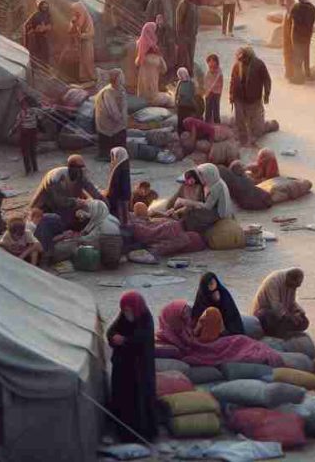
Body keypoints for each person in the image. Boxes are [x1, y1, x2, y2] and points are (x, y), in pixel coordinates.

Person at [157, 300, 284, 367]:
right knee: (239, 342)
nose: (187, 314)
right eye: (183, 311)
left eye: (186, 310)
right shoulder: (169, 334)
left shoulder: (184, 324)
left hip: (204, 342)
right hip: (202, 348)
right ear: (173, 315)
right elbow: (186, 348)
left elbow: (193, 334)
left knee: (240, 339)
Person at [107, 291, 158, 441]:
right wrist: (113, 337)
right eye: (124, 310)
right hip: (123, 369)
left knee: (139, 400)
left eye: (129, 310)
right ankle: (123, 433)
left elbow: (142, 340)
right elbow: (111, 331)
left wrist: (124, 340)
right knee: (124, 400)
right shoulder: (123, 317)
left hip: (139, 369)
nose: (126, 313)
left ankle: (143, 433)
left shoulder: (145, 319)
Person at [29, 155, 104, 255]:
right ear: (71, 168)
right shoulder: (55, 178)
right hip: (46, 209)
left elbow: (93, 191)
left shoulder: (80, 176)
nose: (80, 172)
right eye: (78, 169)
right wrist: (77, 202)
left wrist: (103, 203)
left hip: (66, 208)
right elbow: (58, 201)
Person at [230, 46, 271, 146]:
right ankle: (242, 138)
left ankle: (257, 133)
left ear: (249, 57)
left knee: (256, 123)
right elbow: (233, 81)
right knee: (240, 119)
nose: (242, 61)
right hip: (239, 97)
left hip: (254, 98)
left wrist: (266, 94)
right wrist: (231, 96)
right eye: (240, 59)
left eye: (244, 58)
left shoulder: (259, 65)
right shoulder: (236, 65)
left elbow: (267, 80)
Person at [251, 268, 310, 338]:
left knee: (304, 321)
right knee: (270, 316)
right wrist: (291, 317)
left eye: (297, 286)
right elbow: (275, 306)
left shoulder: (292, 284)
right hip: (264, 313)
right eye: (294, 285)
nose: (295, 288)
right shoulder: (273, 281)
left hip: (282, 314)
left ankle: (285, 331)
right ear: (289, 279)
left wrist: (299, 312)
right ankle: (277, 334)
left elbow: (292, 302)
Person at [93, 69, 128, 158]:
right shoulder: (108, 91)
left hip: (117, 121)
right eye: (120, 77)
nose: (122, 79)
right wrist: (121, 121)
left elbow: (123, 106)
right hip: (107, 123)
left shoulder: (121, 90)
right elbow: (113, 111)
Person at [133, 22, 168, 99]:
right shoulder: (156, 49)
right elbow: (164, 69)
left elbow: (137, 63)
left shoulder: (139, 45)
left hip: (141, 94)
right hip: (153, 93)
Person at [288, 0, 315, 82]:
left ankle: (298, 77)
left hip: (296, 34)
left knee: (297, 53)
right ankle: (307, 74)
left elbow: (289, 19)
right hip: (307, 34)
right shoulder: (312, 8)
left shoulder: (295, 7)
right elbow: (312, 21)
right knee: (306, 53)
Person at [23, 0, 55, 69]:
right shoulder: (35, 15)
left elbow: (51, 25)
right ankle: (35, 68)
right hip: (36, 38)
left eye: (46, 5)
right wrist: (35, 29)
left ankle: (45, 68)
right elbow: (26, 25)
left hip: (45, 37)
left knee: (46, 53)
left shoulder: (48, 15)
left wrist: (46, 27)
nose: (45, 7)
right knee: (36, 53)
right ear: (39, 6)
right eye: (43, 5)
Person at [68, 2, 96, 82]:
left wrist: (82, 36)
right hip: (78, 44)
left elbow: (92, 33)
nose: (76, 13)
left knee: (88, 59)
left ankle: (91, 76)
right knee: (81, 60)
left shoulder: (88, 19)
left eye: (77, 12)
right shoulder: (74, 19)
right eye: (74, 11)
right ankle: (83, 77)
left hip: (87, 42)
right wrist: (73, 24)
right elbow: (70, 31)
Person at [174, 0, 199, 74]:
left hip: (192, 35)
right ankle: (182, 73)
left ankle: (190, 72)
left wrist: (195, 31)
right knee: (184, 56)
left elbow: (196, 21)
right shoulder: (183, 5)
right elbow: (179, 22)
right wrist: (181, 35)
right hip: (184, 35)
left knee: (190, 55)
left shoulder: (193, 5)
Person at [105, 146, 132, 223]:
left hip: (119, 197)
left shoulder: (119, 169)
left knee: (121, 218)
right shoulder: (124, 166)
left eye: (113, 156)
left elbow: (117, 186)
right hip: (124, 196)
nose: (112, 159)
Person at [202, 53, 224, 124]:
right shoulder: (208, 71)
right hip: (209, 91)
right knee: (208, 108)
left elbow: (215, 82)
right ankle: (207, 122)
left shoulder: (219, 71)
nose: (210, 63)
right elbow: (205, 81)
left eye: (212, 61)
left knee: (215, 108)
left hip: (216, 92)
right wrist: (205, 91)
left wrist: (208, 91)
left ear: (216, 62)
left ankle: (217, 124)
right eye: (209, 62)